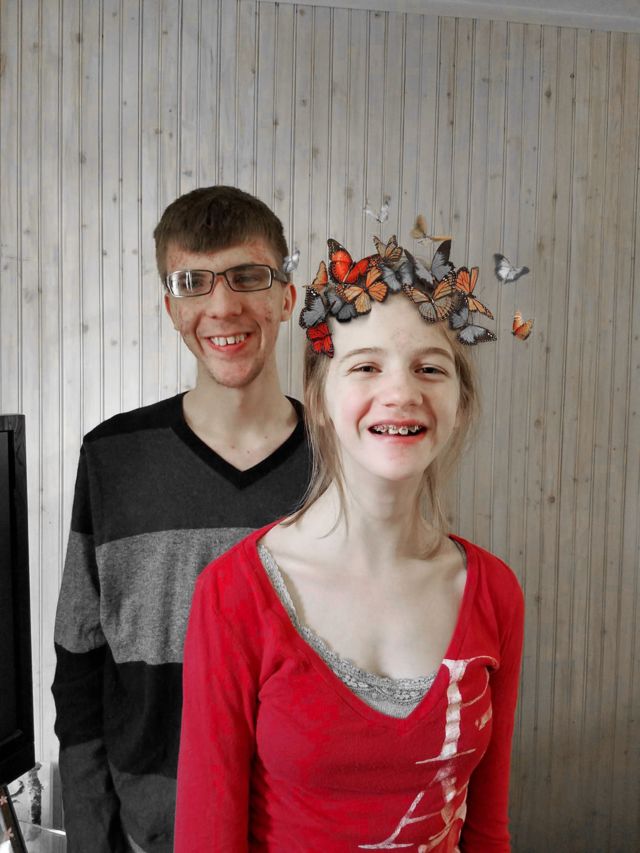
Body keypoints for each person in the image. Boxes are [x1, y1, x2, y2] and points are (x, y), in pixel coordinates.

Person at [174, 233, 525, 851]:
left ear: (461, 402)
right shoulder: (233, 593)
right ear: (318, 398)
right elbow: (207, 836)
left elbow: (486, 829)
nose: (402, 393)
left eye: (430, 368)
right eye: (365, 366)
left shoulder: (494, 590)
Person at [52, 186, 311, 853]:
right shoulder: (112, 457)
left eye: (247, 276)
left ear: (286, 296)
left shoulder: (345, 461)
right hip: (151, 836)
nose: (221, 306)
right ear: (171, 308)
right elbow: (80, 668)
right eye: (193, 282)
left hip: (306, 831)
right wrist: (92, 839)